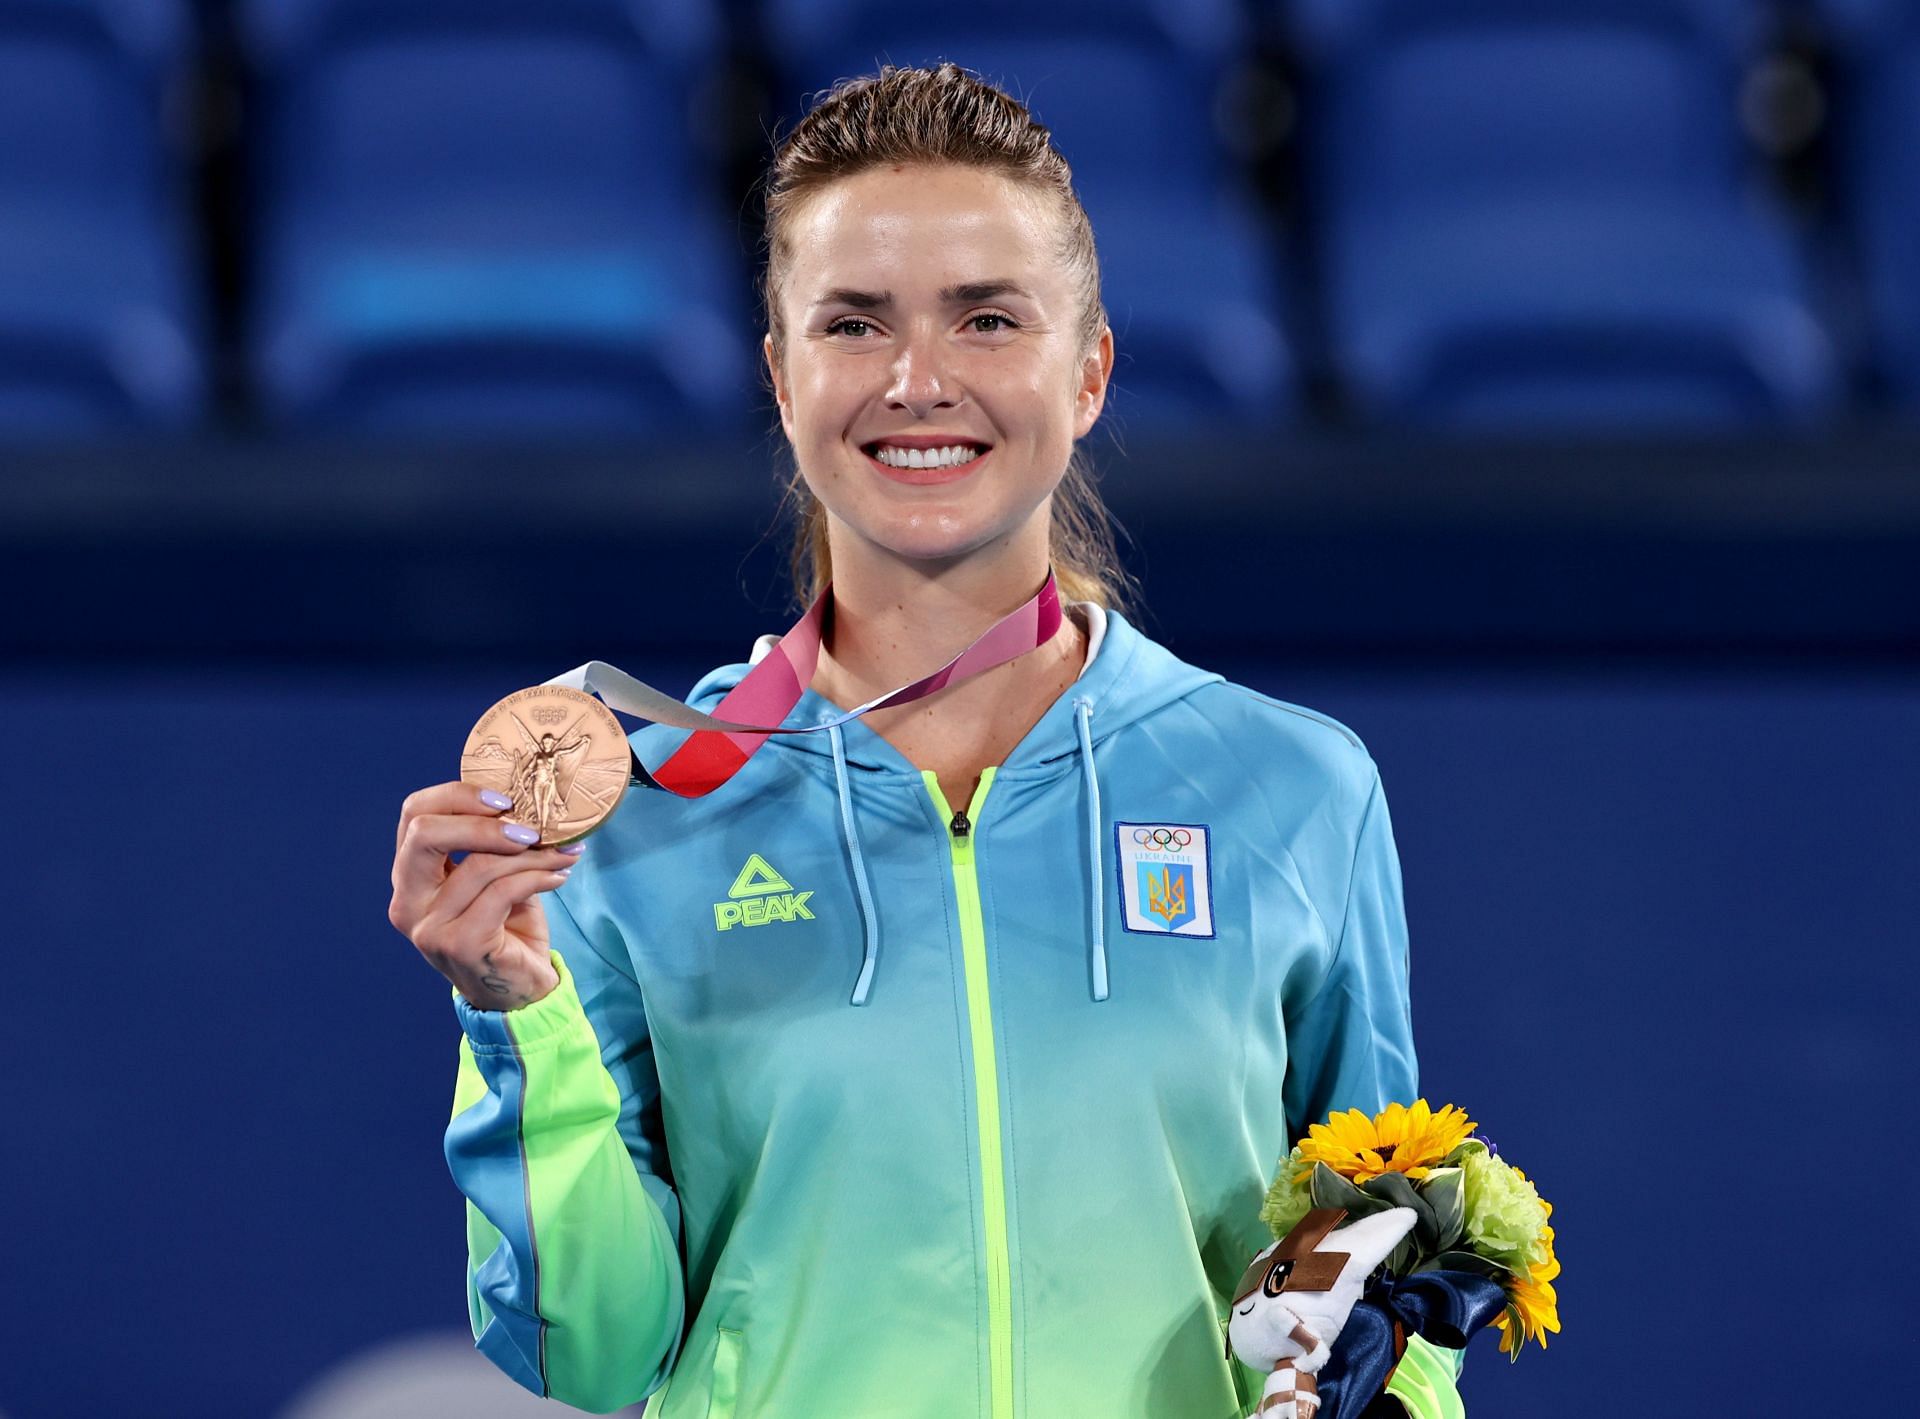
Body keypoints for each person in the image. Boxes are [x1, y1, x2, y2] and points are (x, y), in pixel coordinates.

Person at [388, 64, 1464, 1419]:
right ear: (782, 381)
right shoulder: (646, 809)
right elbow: (588, 1350)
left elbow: (1396, 1285)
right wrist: (514, 1017)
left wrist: (1386, 1393)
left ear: (1089, 372)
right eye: (853, 323)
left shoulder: (1291, 789)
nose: (917, 379)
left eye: (986, 318)